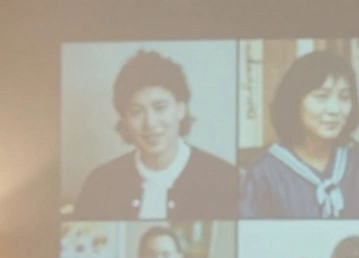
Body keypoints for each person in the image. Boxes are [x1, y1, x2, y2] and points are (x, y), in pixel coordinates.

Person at [73, 48, 238, 220]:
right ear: (125, 119)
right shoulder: (100, 183)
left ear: (181, 109)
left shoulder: (223, 179)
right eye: (136, 111)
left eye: (160, 107)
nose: (150, 123)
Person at [240, 50, 359, 219]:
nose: (335, 110)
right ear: (294, 101)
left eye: (344, 98)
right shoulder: (263, 173)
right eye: (322, 97)